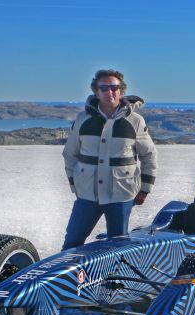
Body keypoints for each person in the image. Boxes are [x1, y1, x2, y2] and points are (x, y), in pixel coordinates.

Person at [61, 69, 158, 250]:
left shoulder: (135, 121)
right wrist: (76, 185)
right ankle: (69, 278)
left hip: (121, 195)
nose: (110, 92)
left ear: (121, 91)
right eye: (104, 88)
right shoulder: (83, 120)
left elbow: (149, 155)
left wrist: (145, 189)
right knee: (72, 244)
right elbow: (70, 154)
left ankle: (115, 279)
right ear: (96, 92)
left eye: (114, 87)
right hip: (87, 195)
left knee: (117, 248)